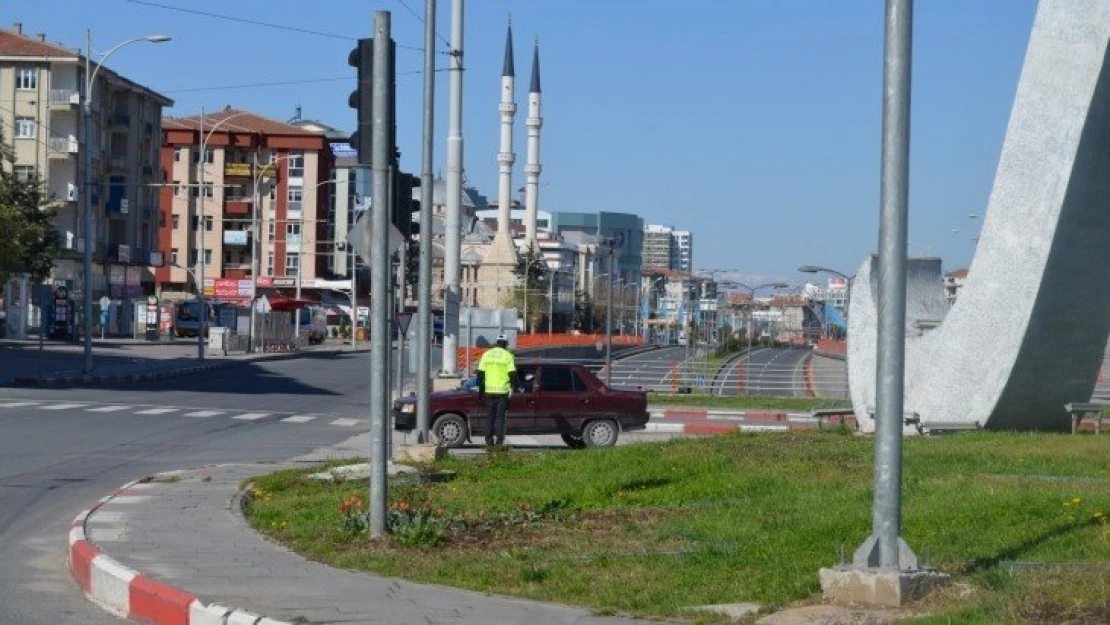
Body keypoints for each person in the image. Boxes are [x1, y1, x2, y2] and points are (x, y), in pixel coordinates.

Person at [476, 334, 516, 447]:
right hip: (502, 392)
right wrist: (512, 386)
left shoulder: (486, 354)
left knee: (489, 416)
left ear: (497, 342)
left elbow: (480, 374)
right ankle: (499, 441)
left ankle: (488, 440)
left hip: (489, 391)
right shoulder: (508, 355)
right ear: (506, 344)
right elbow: (512, 374)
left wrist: (481, 389)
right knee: (500, 417)